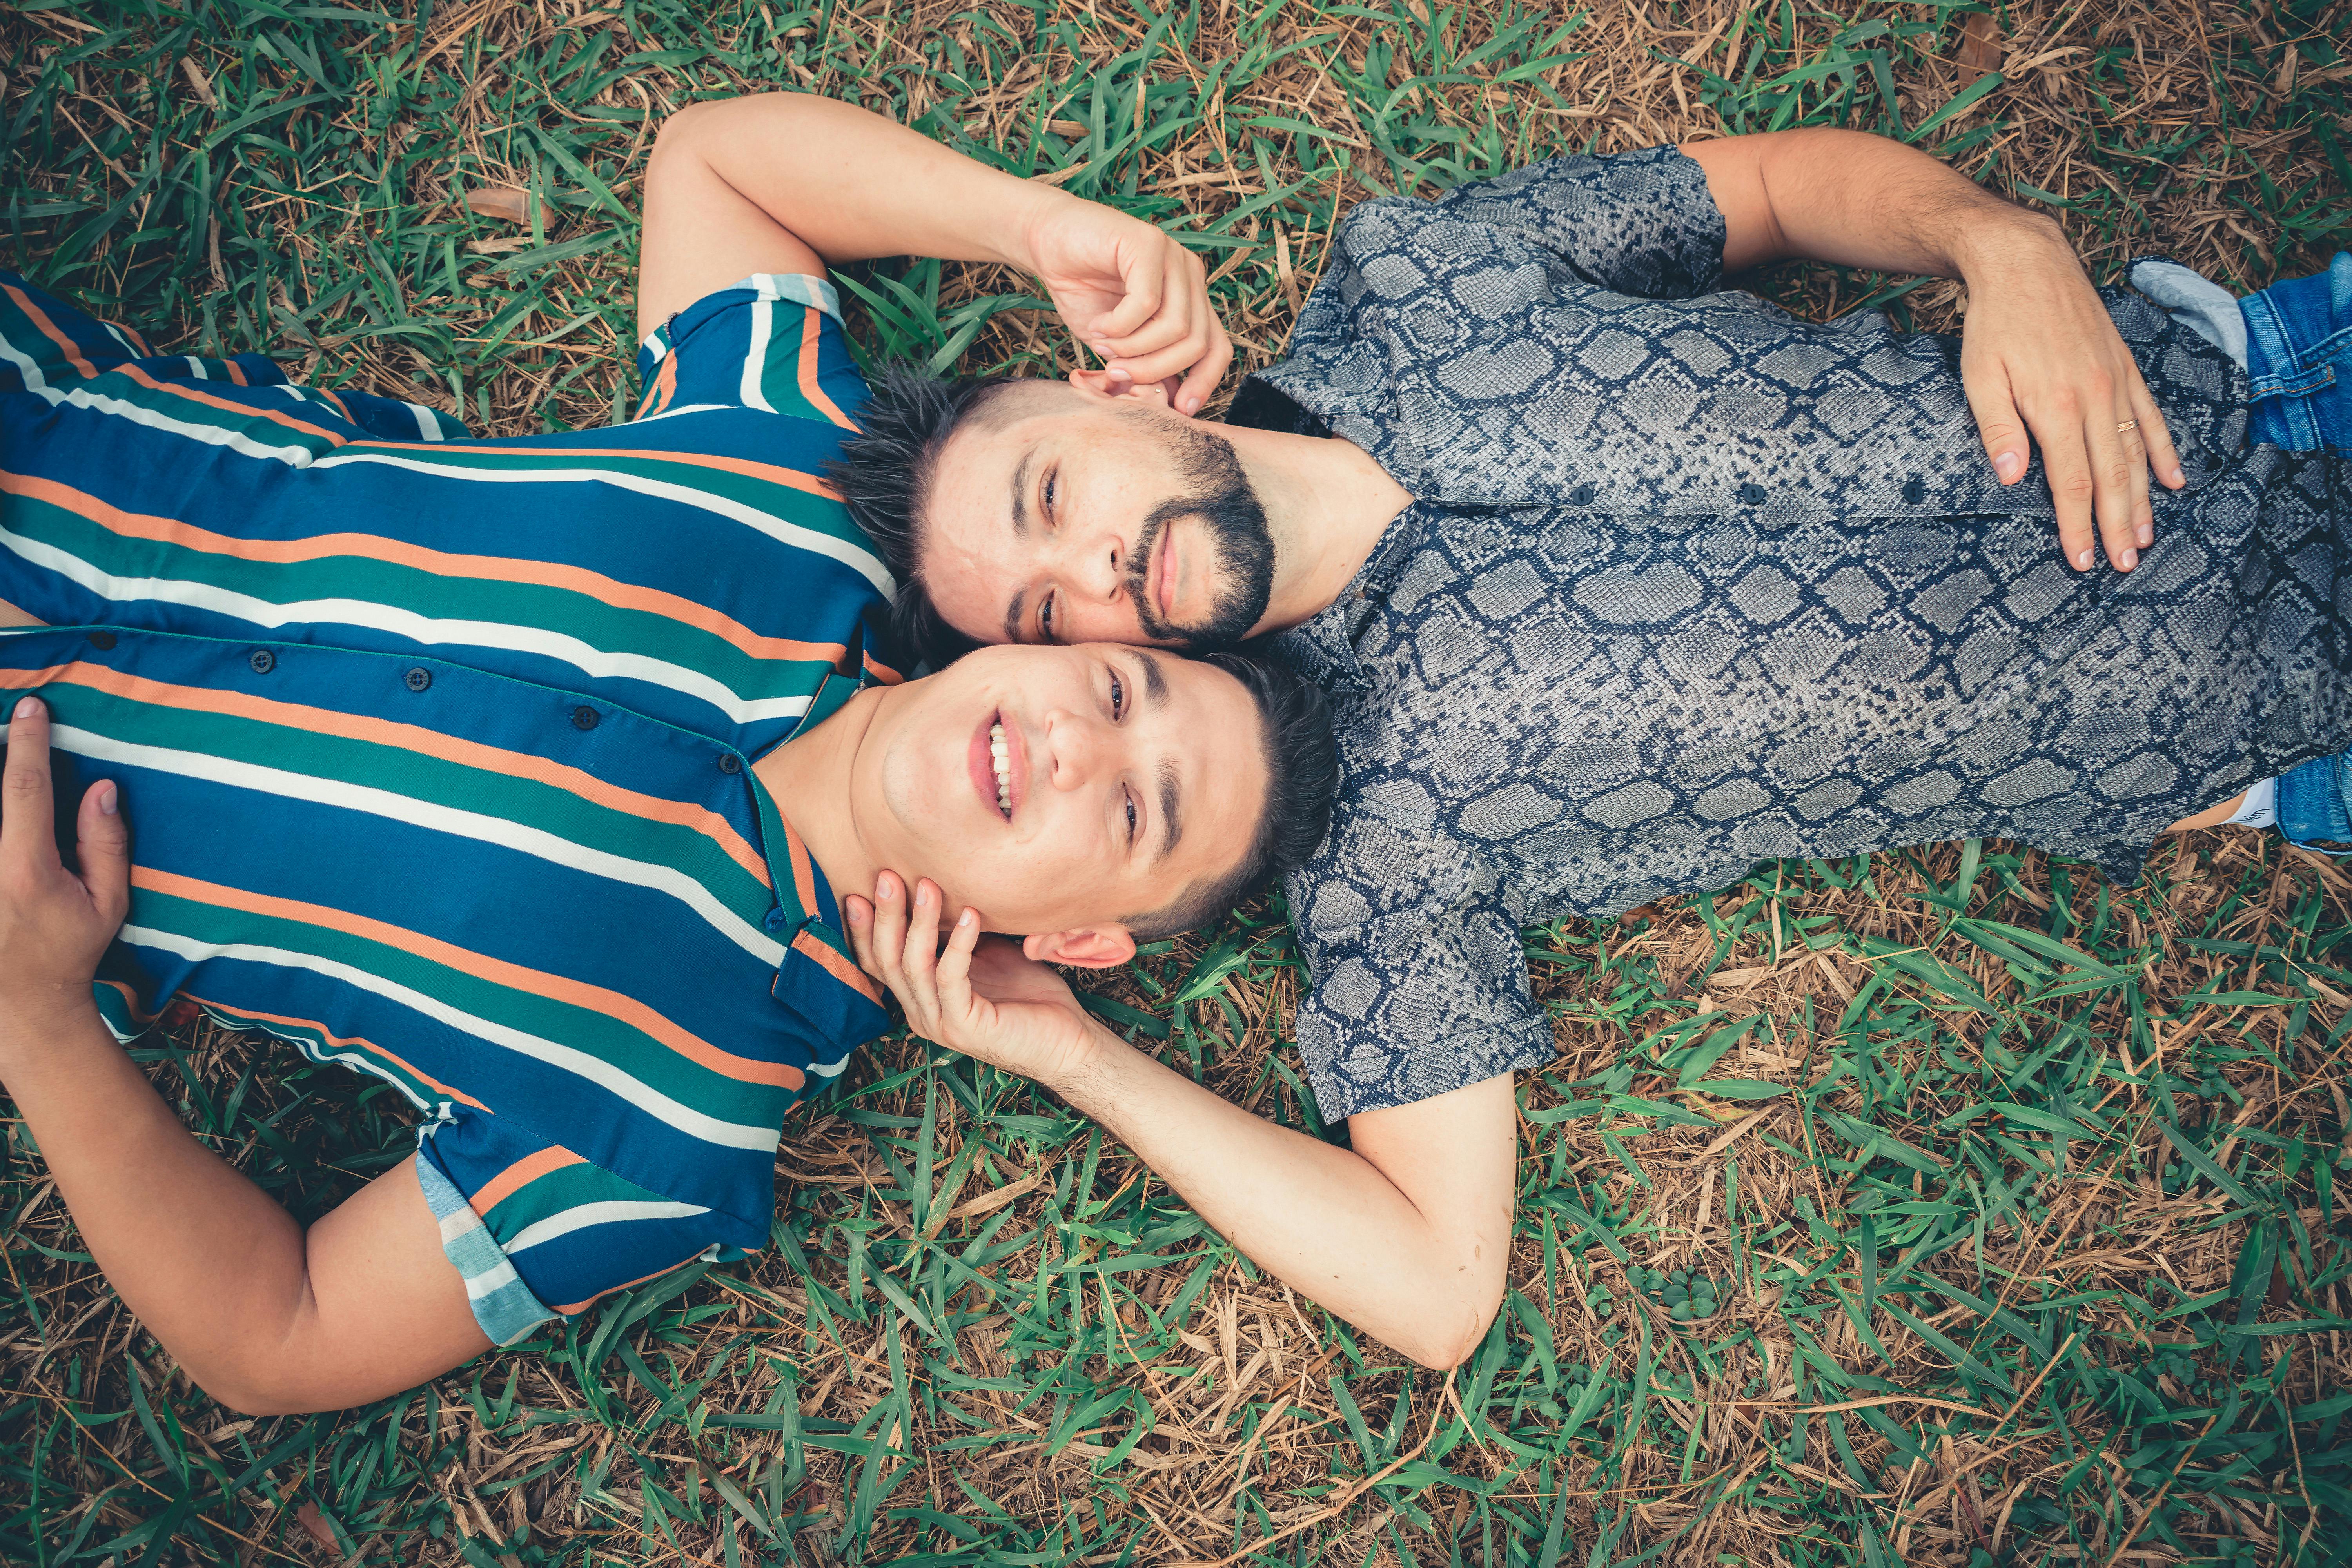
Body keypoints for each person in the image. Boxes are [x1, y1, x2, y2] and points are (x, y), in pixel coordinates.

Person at [762, 94, 2346, 1366]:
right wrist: (1066, 1047)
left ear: (1110, 390)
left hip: (2266, 367)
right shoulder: (1361, 838)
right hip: (2291, 692)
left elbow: (1783, 189)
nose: (1094, 575)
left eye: (1053, 497)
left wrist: (1997, 245)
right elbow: (1439, 1286)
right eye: (1044, 621)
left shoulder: (1424, 274)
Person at [0, 230, 1337, 1414]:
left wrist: (43, 1027)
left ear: (1084, 943)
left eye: (1128, 809)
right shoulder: (809, 492)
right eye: (1115, 688)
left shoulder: (676, 1116)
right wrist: (1037, 224)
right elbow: (726, 171)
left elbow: (278, 1338)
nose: (1072, 745)